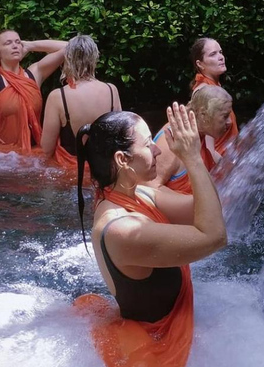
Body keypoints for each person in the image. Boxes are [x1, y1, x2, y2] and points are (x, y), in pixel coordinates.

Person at [73, 104, 227, 367]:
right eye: (148, 144)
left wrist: (193, 154)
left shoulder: (139, 192)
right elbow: (214, 236)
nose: (157, 149)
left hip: (173, 330)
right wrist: (192, 159)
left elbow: (205, 210)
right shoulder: (120, 228)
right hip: (157, 347)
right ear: (123, 159)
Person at [0, 30, 67, 153]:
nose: (15, 45)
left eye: (17, 42)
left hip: (33, 155)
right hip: (2, 159)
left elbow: (71, 47)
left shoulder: (34, 74)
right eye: (8, 43)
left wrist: (30, 45)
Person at [41, 35, 121, 167]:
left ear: (67, 59)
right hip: (104, 171)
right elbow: (119, 136)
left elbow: (46, 150)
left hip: (70, 175)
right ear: (95, 58)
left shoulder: (57, 96)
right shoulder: (112, 90)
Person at [147, 86, 232, 195]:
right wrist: (191, 204)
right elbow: (149, 189)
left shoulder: (202, 133)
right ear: (203, 115)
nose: (230, 122)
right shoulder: (172, 140)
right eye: (225, 116)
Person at [189, 38, 239, 155]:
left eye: (220, 52)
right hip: (221, 165)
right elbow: (209, 149)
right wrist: (227, 170)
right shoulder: (204, 91)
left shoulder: (214, 87)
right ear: (200, 64)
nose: (221, 57)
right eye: (213, 54)